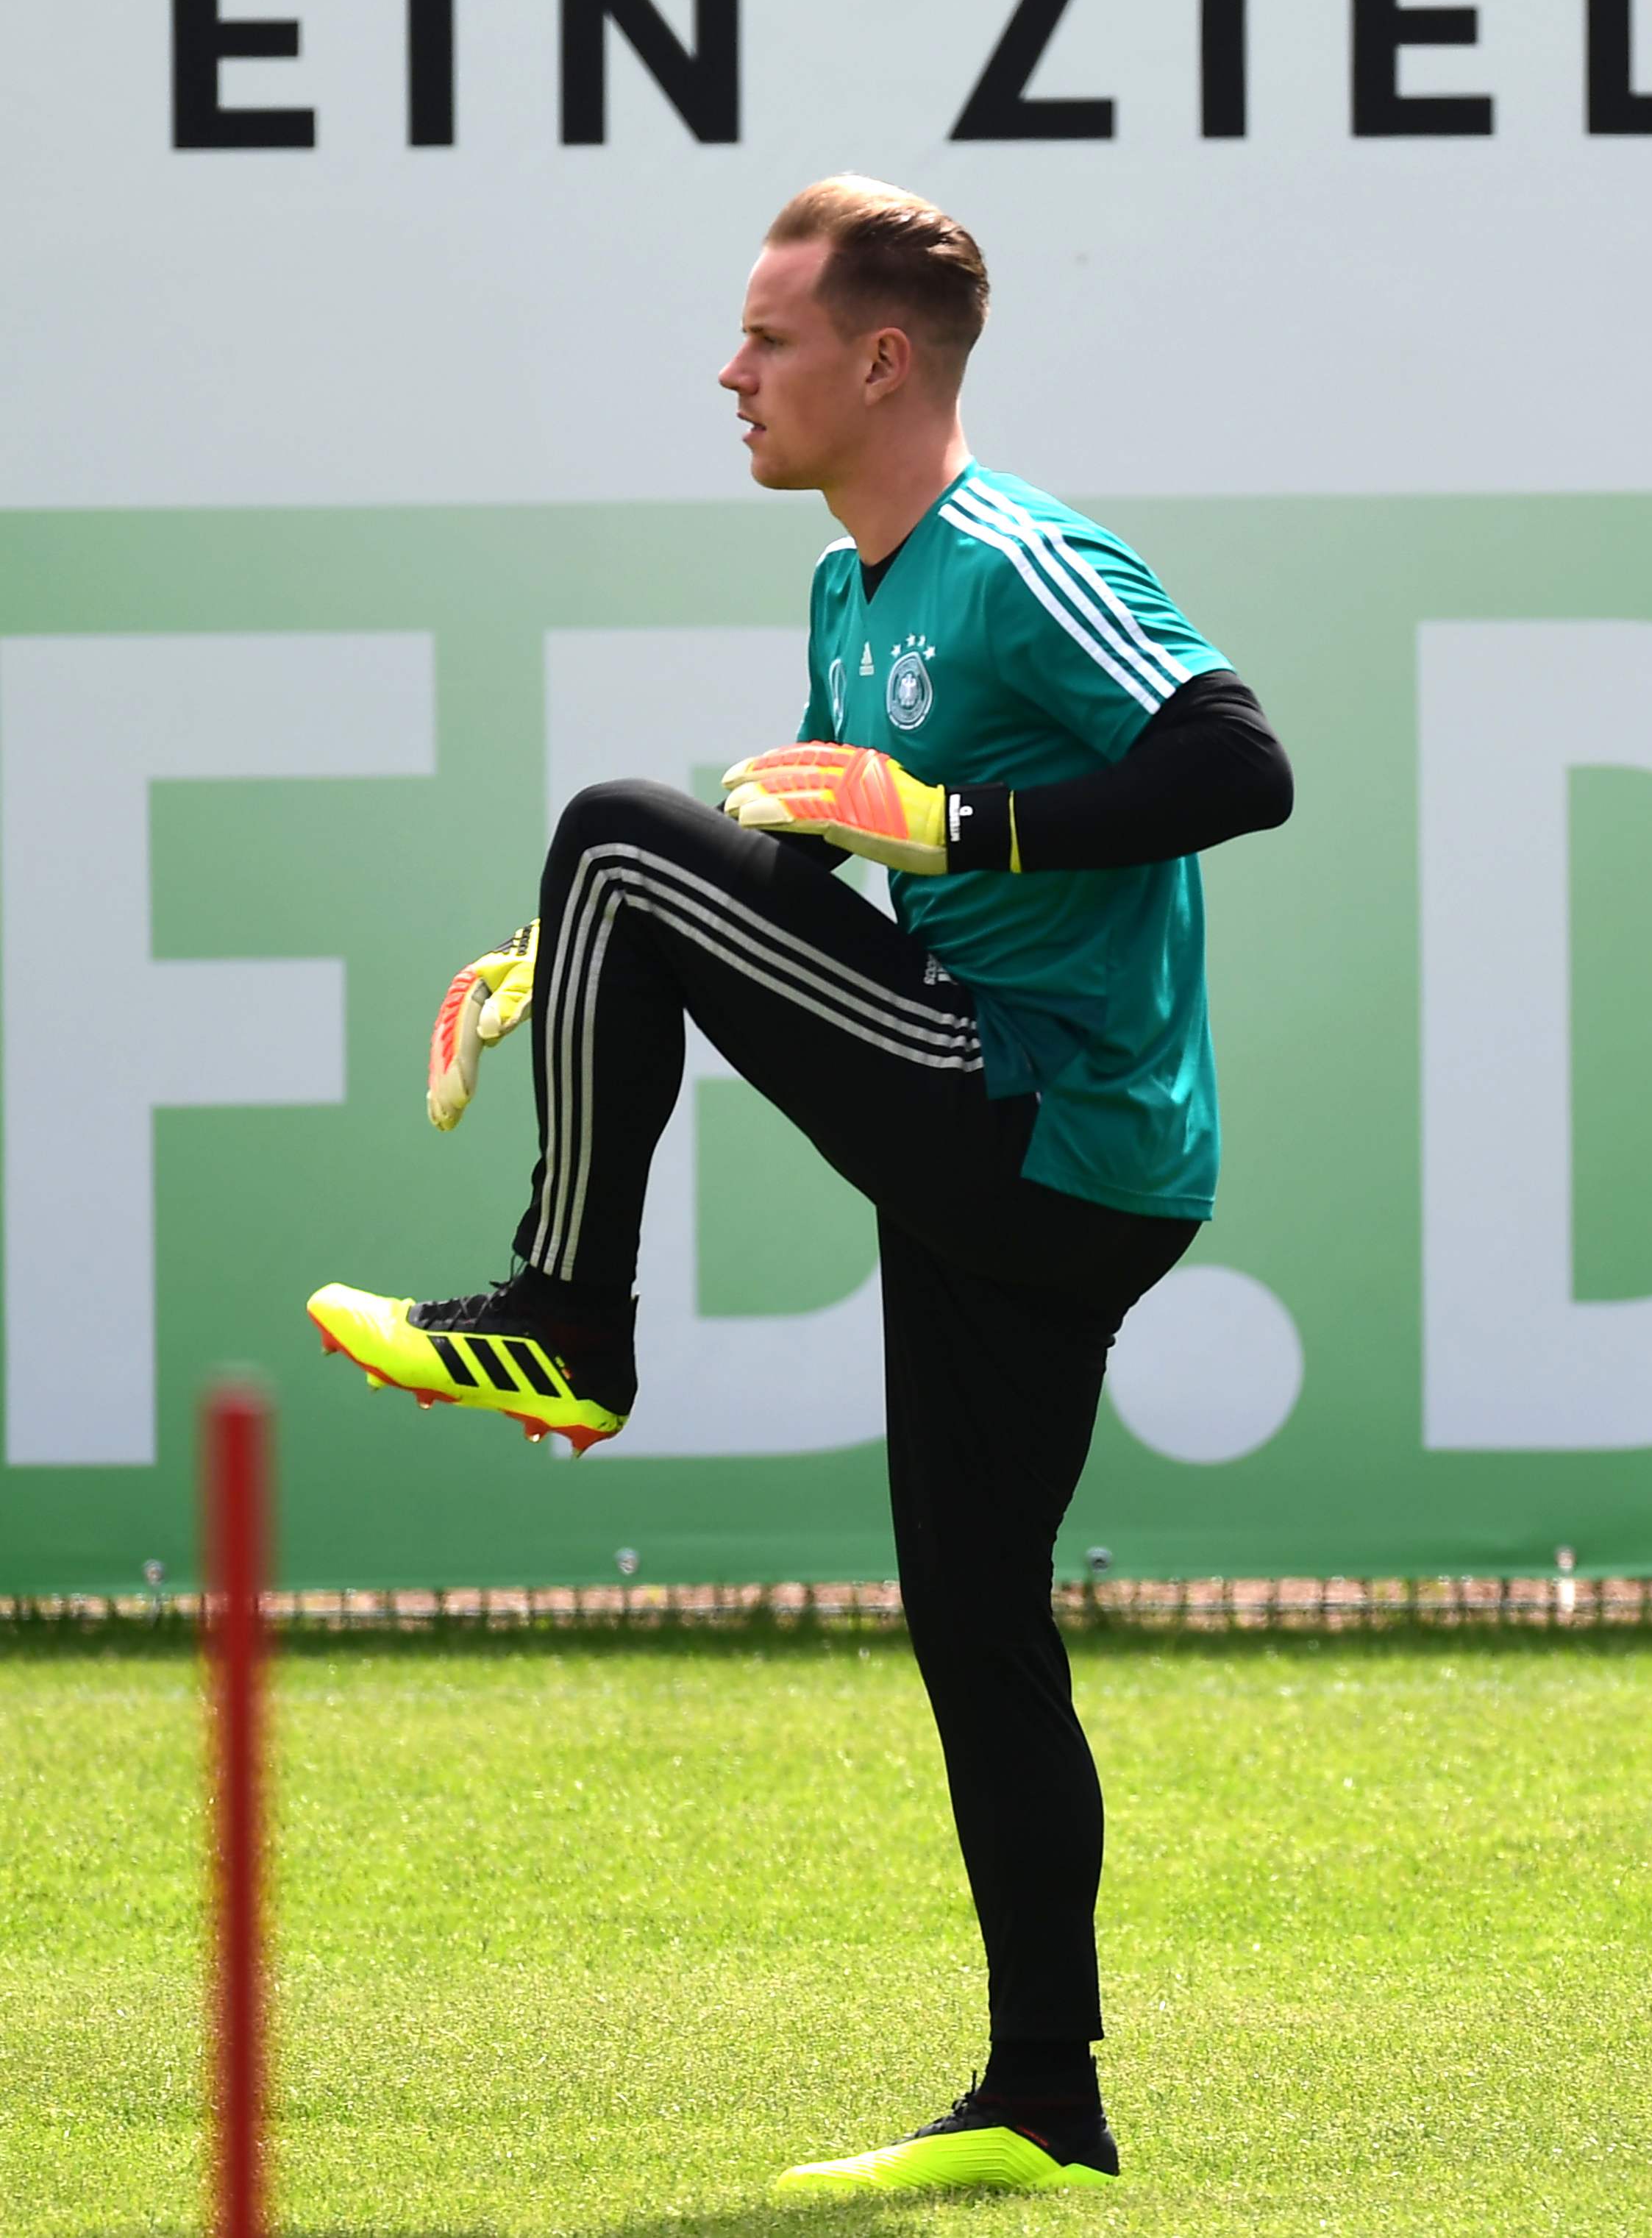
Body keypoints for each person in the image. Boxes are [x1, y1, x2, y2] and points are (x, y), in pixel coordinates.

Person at [310, 176, 1293, 2187]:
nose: (729, 371)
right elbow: (818, 853)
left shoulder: (1016, 555)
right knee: (974, 1619)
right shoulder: (854, 591)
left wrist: (956, 821)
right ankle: (1045, 2100)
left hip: (1047, 1109)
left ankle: (568, 1322)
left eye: (765, 340)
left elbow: (1240, 763)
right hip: (1013, 1145)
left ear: (879, 360)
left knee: (614, 820)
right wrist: (563, 968)